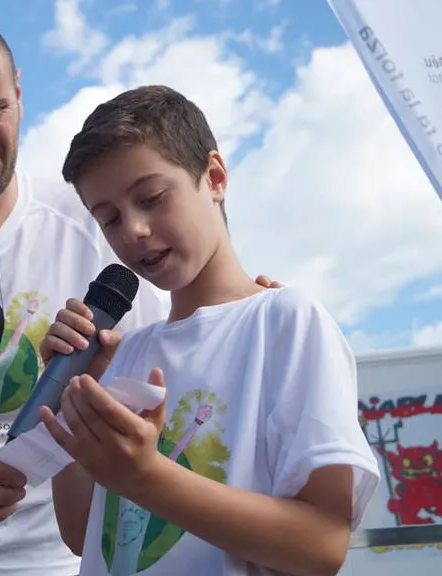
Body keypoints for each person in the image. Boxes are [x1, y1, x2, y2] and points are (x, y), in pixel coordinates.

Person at [0, 13, 277, 576]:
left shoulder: (97, 212)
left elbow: (183, 326)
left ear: (19, 95)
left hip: (51, 557)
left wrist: (248, 303)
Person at [39, 85, 381, 575]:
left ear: (214, 177)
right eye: (109, 218)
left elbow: (321, 545)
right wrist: (70, 397)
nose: (132, 229)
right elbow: (81, 533)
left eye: (151, 198)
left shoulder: (286, 321)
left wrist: (148, 475)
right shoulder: (123, 354)